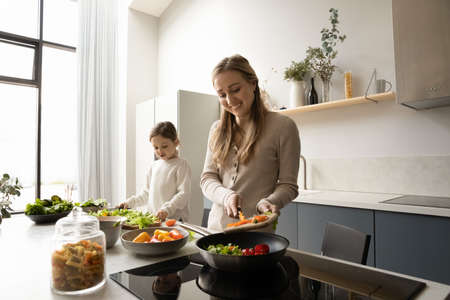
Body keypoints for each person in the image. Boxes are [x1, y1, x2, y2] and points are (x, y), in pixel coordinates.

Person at [200, 54, 300, 232]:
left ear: (253, 83)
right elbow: (207, 179)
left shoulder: (283, 127)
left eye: (235, 89)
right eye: (222, 94)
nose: (230, 101)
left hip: (257, 234)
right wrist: (226, 196)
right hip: (215, 232)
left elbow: (288, 185)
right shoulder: (216, 130)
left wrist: (269, 202)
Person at [118, 121, 191, 221]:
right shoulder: (154, 166)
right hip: (155, 220)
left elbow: (183, 194)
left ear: (176, 142)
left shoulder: (181, 165)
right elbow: (146, 194)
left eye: (164, 146)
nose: (160, 151)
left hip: (174, 220)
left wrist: (167, 209)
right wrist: (129, 203)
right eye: (156, 147)